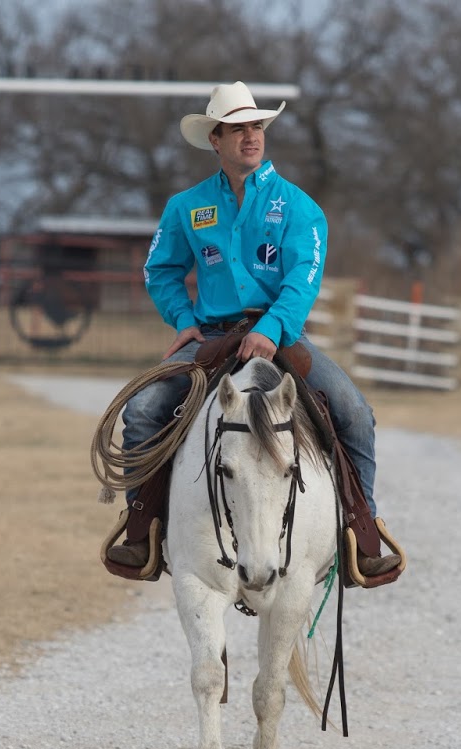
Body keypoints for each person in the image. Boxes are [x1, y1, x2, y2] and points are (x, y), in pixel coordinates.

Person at [105, 81, 402, 580]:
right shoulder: (186, 207)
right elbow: (160, 270)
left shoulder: (300, 208)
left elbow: (303, 277)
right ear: (215, 141)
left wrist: (271, 328)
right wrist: (183, 321)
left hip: (281, 335)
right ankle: (143, 528)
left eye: (256, 127)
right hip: (211, 335)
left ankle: (361, 529)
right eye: (238, 128)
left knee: (354, 412)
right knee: (143, 410)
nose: (250, 136)